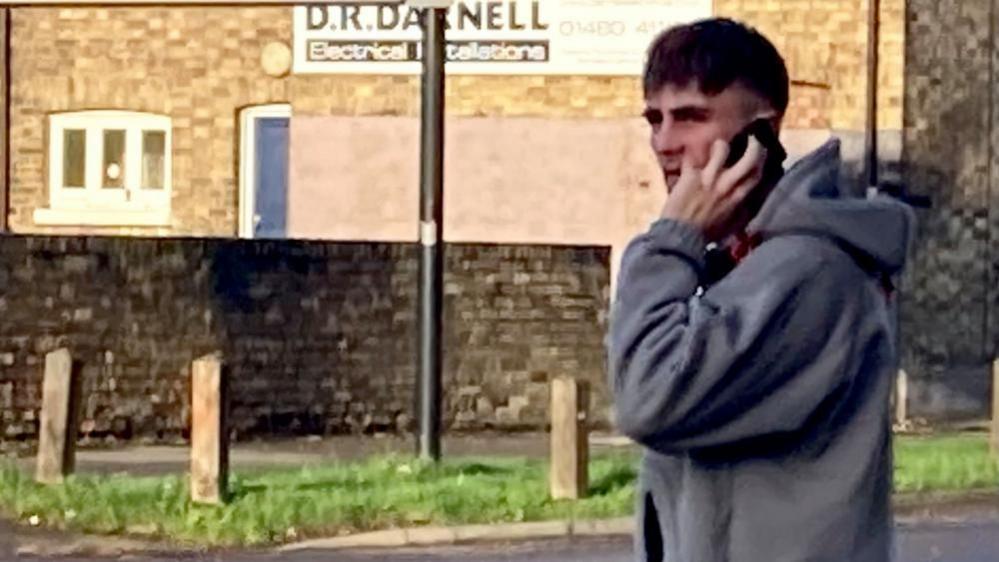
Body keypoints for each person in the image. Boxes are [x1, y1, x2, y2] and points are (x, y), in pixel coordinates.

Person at [608, 18, 914, 562]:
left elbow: (648, 398)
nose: (664, 143)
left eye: (691, 117)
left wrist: (670, 241)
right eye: (655, 119)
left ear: (761, 136)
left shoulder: (813, 274)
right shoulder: (736, 265)